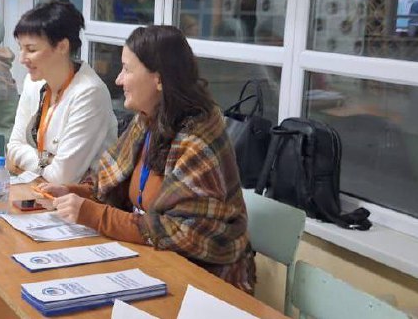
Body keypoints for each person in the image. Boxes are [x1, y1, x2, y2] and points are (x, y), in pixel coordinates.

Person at [37, 25, 255, 293]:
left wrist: (94, 214)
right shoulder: (147, 119)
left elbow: (183, 232)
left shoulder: (198, 140)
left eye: (127, 70)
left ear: (159, 79)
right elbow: (111, 185)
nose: (118, 80)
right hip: (155, 261)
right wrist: (74, 192)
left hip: (208, 281)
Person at [7, 0, 117, 184]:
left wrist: (37, 160)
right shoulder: (33, 83)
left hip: (82, 197)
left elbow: (63, 177)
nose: (22, 58)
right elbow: (13, 147)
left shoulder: (89, 93)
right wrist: (48, 160)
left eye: (31, 50)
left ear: (62, 47)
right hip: (40, 186)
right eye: (21, 49)